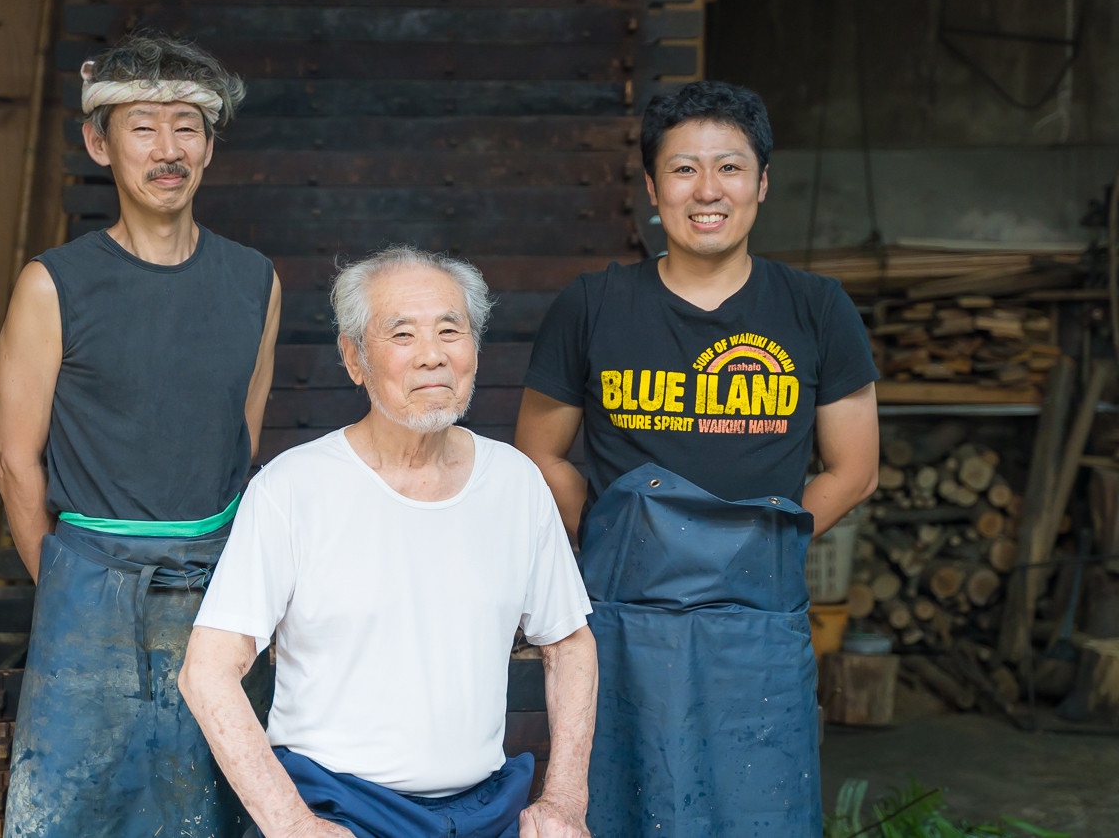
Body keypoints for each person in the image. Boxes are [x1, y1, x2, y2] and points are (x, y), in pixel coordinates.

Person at [516, 81, 880, 836]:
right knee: (620, 809)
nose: (707, 190)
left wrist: (759, 547)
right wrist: (617, 532)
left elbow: (855, 468)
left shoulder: (816, 307)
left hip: (759, 624)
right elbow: (539, 452)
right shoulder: (593, 304)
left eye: (730, 168)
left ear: (762, 183)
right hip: (622, 620)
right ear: (652, 187)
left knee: (757, 812)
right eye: (683, 170)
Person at [178, 247, 598, 838]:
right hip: (338, 809)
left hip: (484, 811)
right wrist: (291, 824)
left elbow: (570, 643)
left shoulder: (515, 483)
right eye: (402, 334)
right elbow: (207, 672)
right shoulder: (292, 488)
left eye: (451, 331)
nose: (433, 356)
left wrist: (564, 801)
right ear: (354, 358)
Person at [0, 32, 281, 836]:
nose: (168, 149)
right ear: (98, 141)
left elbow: (240, 440)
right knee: (81, 812)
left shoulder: (256, 281)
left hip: (217, 587)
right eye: (143, 126)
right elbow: (17, 463)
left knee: (220, 809)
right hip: (88, 586)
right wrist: (66, 592)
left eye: (187, 126)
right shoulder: (54, 284)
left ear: (210, 146)